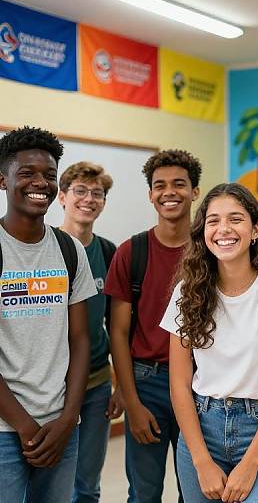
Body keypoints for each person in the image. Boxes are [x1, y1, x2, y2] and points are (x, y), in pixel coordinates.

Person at [161, 182, 258, 502]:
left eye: (235, 219)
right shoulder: (187, 293)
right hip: (201, 429)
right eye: (213, 221)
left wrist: (250, 463)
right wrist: (201, 461)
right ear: (203, 232)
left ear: (255, 230)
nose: (223, 229)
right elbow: (178, 383)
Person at [0, 126, 97, 502]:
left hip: (61, 426)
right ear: (3, 180)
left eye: (49, 175)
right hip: (6, 429)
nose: (40, 182)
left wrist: (68, 418)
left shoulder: (69, 249)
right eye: (27, 173)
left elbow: (80, 339)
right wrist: (25, 426)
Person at [104, 149, 201, 503]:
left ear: (195, 192)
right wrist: (132, 401)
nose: (169, 192)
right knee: (144, 493)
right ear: (150, 195)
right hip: (148, 385)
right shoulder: (132, 252)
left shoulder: (210, 251)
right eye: (159, 185)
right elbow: (117, 332)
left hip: (201, 384)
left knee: (197, 489)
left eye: (179, 184)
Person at [58, 161, 124, 502]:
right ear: (62, 198)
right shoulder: (46, 248)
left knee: (86, 484)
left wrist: (122, 385)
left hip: (97, 384)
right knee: (49, 480)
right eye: (80, 191)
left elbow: (117, 325)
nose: (88, 199)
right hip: (50, 390)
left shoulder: (109, 252)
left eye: (96, 193)